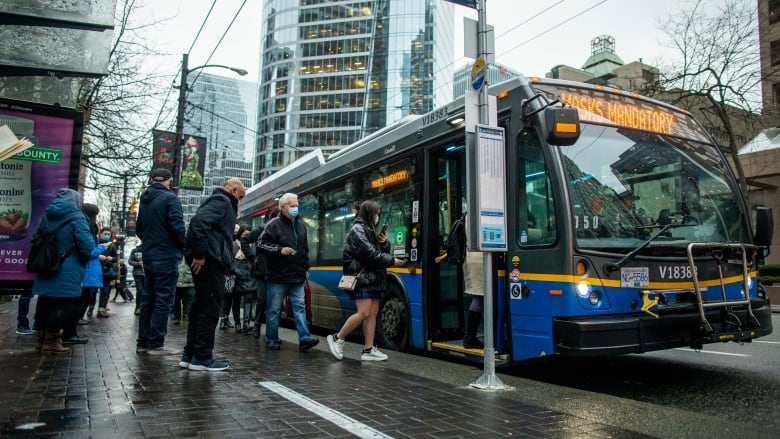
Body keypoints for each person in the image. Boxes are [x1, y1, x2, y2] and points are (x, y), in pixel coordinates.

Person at [326, 200, 404, 361]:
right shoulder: (358, 230)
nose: (378, 217)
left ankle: (368, 350)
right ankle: (337, 338)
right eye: (376, 214)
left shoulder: (369, 230)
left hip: (374, 278)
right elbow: (370, 255)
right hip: (363, 279)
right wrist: (392, 261)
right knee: (364, 313)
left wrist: (385, 243)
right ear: (369, 214)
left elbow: (375, 254)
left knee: (372, 314)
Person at [182, 178, 246, 371]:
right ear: (234, 190)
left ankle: (190, 354)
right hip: (211, 261)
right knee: (210, 309)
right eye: (240, 196)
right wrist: (200, 254)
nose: (240, 201)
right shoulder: (223, 201)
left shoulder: (215, 200)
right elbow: (198, 223)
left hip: (209, 259)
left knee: (200, 307)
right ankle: (202, 357)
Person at [31, 188, 95, 354]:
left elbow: (35, 239)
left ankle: (40, 340)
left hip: (45, 265)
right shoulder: (78, 218)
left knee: (44, 302)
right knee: (60, 305)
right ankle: (52, 342)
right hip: (67, 267)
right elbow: (87, 247)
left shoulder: (47, 216)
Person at [258, 193, 319, 352]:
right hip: (278, 276)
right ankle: (271, 339)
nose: (295, 208)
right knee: (274, 309)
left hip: (297, 276)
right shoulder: (273, 225)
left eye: (296, 204)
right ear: (283, 207)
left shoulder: (301, 225)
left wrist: (306, 269)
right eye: (292, 205)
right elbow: (261, 244)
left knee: (300, 308)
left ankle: (304, 339)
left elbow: (304, 250)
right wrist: (279, 250)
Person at [136, 168, 187, 355]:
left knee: (148, 299)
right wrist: (185, 245)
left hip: (149, 255)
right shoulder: (170, 198)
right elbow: (177, 227)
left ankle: (143, 341)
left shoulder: (145, 199)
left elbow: (139, 229)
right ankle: (156, 343)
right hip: (166, 255)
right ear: (170, 180)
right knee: (164, 299)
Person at [63, 203, 107, 344]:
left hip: (86, 271)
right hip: (88, 271)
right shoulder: (88, 227)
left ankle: (70, 331)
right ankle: (70, 333)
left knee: (78, 302)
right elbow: (89, 251)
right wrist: (101, 247)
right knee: (78, 303)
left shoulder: (79, 224)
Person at [232, 224, 258, 335]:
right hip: (236, 276)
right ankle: (237, 323)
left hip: (250, 276)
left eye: (248, 234)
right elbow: (229, 260)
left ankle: (246, 324)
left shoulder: (253, 245)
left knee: (248, 299)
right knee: (236, 301)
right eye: (243, 234)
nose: (245, 236)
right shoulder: (233, 245)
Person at [96, 227, 118, 318]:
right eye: (105, 234)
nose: (107, 236)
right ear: (100, 234)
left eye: (108, 234)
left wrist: (111, 258)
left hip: (106, 271)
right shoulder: (96, 243)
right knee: (91, 292)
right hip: (96, 270)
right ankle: (90, 307)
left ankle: (101, 310)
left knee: (105, 291)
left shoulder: (112, 246)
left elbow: (115, 258)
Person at [172, 257, 194, 325]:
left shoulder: (191, 252)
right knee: (176, 300)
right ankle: (177, 316)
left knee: (189, 301)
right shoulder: (176, 252)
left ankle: (188, 315)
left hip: (190, 282)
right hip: (177, 282)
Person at [128, 243, 144, 316]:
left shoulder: (151, 249)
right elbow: (130, 261)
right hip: (137, 273)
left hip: (148, 273)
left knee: (146, 291)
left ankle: (144, 307)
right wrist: (138, 263)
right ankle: (138, 307)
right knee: (140, 290)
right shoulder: (135, 250)